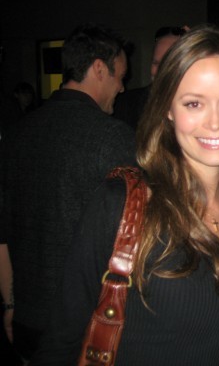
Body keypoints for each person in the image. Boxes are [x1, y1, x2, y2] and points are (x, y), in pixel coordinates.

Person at [31, 24, 219, 365]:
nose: (216, 122)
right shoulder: (122, 205)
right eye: (194, 103)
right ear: (168, 109)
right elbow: (60, 344)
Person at [0, 23, 137, 363]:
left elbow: (2, 235)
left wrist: (10, 305)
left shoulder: (17, 134)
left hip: (27, 321)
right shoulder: (112, 137)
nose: (122, 87)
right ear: (99, 69)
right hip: (87, 325)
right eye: (120, 76)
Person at [113, 25, 189, 130]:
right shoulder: (125, 105)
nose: (160, 71)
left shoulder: (198, 108)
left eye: (168, 64)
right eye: (156, 63)